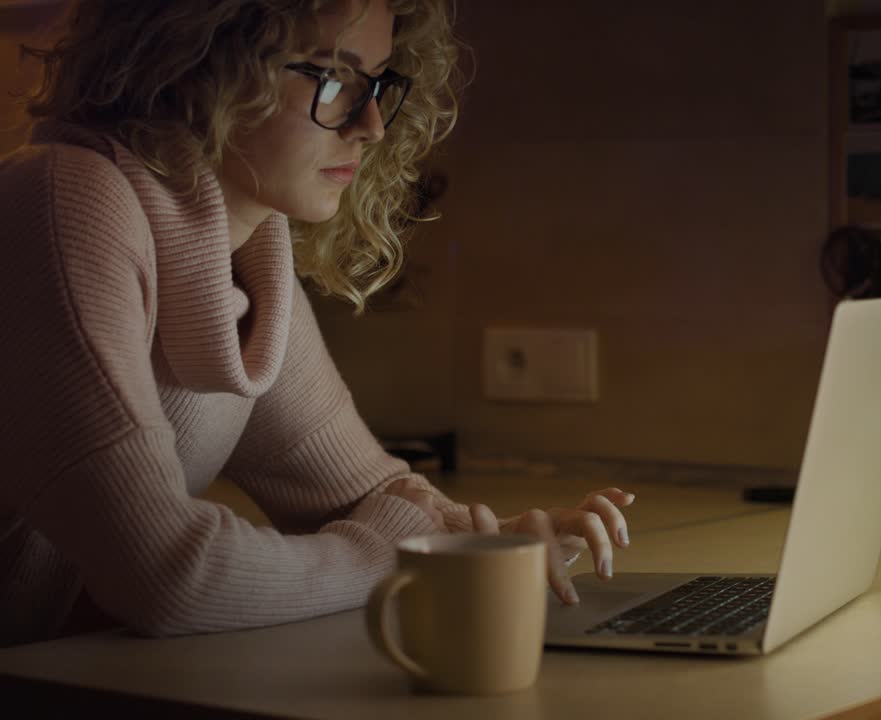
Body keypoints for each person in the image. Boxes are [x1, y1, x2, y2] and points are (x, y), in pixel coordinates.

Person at [0, 0, 635, 648]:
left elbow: (373, 497)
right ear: (201, 63)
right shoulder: (62, 202)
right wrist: (391, 553)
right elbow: (169, 577)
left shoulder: (245, 251)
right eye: (334, 78)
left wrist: (498, 546)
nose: (372, 125)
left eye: (379, 83)